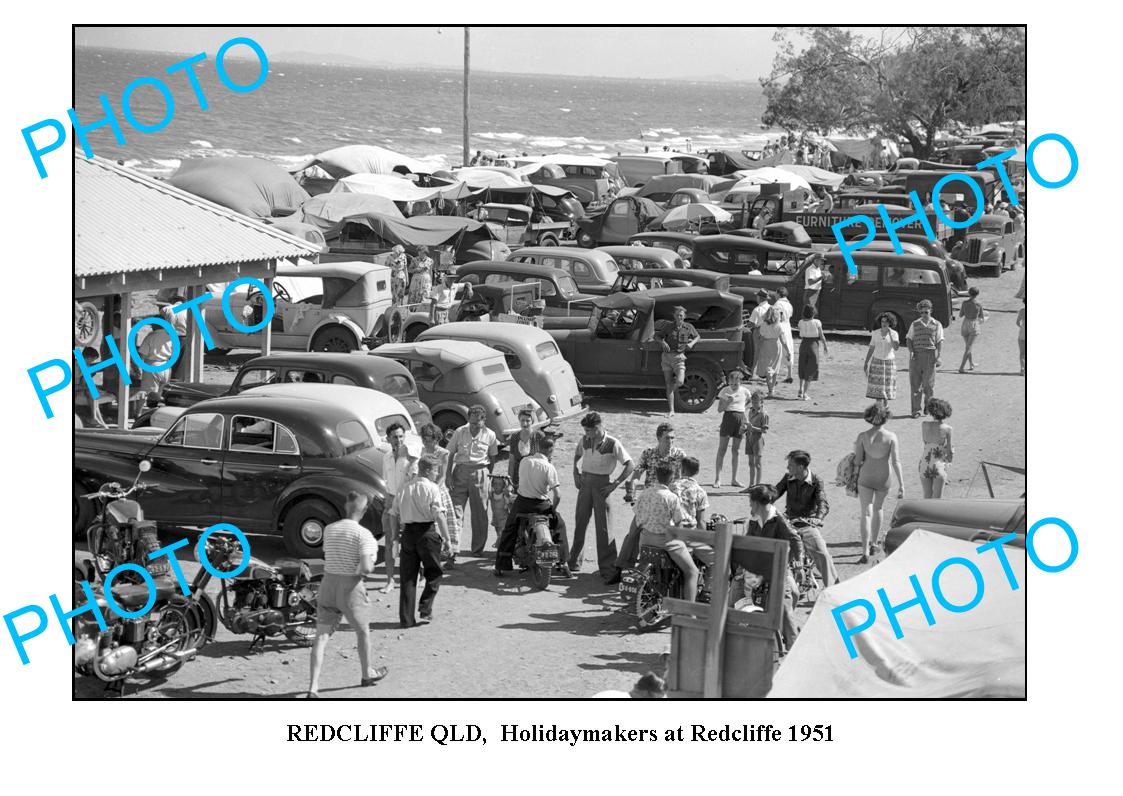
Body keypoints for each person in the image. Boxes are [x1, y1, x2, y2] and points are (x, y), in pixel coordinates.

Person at [307, 491, 387, 698]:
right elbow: (367, 567)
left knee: (321, 637)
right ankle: (366, 673)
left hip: (328, 584)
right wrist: (358, 569)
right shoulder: (364, 535)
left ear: (346, 506)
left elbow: (328, 554)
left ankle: (313, 687)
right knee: (362, 632)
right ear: (364, 510)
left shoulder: (330, 529)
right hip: (350, 587)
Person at [628, 464, 713, 601]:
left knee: (642, 569)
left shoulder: (645, 493)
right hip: (665, 542)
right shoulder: (671, 498)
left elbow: (637, 517)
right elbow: (678, 525)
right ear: (672, 478)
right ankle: (689, 611)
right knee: (692, 572)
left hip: (645, 540)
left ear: (655, 475)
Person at [494, 436, 573, 578]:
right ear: (551, 450)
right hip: (542, 505)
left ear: (537, 447)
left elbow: (521, 481)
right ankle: (563, 562)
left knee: (509, 530)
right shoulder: (549, 467)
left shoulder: (525, 461)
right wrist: (553, 509)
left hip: (522, 504)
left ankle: (501, 565)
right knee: (560, 526)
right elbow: (558, 494)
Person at [571, 412, 634, 578]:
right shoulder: (584, 440)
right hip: (585, 482)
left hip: (602, 486)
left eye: (589, 430)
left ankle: (607, 567)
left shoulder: (613, 443)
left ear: (598, 427)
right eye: (585, 430)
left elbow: (630, 464)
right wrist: (575, 473)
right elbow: (577, 455)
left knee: (604, 527)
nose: (587, 434)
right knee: (580, 522)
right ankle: (574, 562)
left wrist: (615, 484)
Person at [391, 459, 451, 628]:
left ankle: (406, 619)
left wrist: (395, 536)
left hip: (408, 534)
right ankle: (425, 607)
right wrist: (447, 539)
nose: (437, 474)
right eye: (435, 471)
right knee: (434, 572)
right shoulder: (432, 488)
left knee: (407, 578)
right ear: (427, 470)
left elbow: (393, 514)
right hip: (427, 533)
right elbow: (438, 514)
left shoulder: (403, 488)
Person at [743, 484, 802, 651]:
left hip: (778, 570)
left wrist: (798, 566)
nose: (749, 505)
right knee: (735, 596)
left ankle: (793, 646)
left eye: (750, 501)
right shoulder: (754, 520)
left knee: (785, 607)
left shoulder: (778, 519)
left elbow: (795, 539)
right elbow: (748, 542)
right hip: (760, 570)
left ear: (756, 502)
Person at [774, 450, 839, 588]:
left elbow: (823, 502)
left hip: (807, 523)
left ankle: (833, 590)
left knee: (822, 555)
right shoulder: (788, 478)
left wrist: (818, 518)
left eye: (790, 465)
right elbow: (775, 492)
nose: (788, 468)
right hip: (789, 522)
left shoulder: (816, 481)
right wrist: (762, 497)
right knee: (774, 550)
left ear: (801, 466)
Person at [854, 404, 905, 563]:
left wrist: (853, 475)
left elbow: (857, 461)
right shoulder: (891, 437)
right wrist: (902, 484)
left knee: (866, 513)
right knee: (879, 509)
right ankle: (874, 543)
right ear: (886, 418)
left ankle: (864, 552)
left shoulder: (862, 436)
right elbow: (896, 461)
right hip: (884, 477)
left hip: (865, 476)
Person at [446, 405, 500, 556]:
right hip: (460, 472)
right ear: (468, 420)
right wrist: (448, 475)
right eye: (472, 423)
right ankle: (453, 549)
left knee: (480, 514)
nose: (475, 426)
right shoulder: (460, 432)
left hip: (480, 472)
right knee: (455, 512)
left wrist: (487, 475)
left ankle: (477, 549)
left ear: (484, 421)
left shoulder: (490, 435)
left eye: (478, 423)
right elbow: (449, 454)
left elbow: (493, 457)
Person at [379, 423, 418, 593]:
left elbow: (415, 480)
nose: (398, 440)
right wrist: (388, 499)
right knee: (390, 542)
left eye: (401, 436)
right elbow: (386, 481)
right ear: (388, 439)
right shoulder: (386, 457)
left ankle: (417, 577)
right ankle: (390, 580)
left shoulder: (411, 455)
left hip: (408, 503)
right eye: (395, 437)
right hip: (391, 504)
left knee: (412, 543)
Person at [419, 423, 459, 568]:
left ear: (436, 439)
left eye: (428, 438)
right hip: (424, 490)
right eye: (423, 438)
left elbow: (442, 475)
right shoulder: (420, 451)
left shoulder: (443, 453)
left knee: (447, 524)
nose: (425, 441)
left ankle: (451, 556)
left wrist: (433, 487)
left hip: (438, 491)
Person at [654, 305, 699, 417]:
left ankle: (670, 391)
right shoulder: (668, 326)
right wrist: (663, 342)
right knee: (668, 382)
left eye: (681, 315)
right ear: (674, 316)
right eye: (677, 315)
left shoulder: (688, 327)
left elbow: (697, 336)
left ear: (684, 316)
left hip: (679, 357)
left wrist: (691, 343)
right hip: (667, 357)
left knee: (680, 381)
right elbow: (657, 336)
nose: (679, 317)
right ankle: (671, 410)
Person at [906, 299, 944, 418]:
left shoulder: (937, 324)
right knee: (915, 384)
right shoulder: (915, 324)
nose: (924, 315)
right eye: (921, 312)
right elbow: (909, 338)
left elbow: (939, 340)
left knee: (928, 384)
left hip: (930, 355)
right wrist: (911, 351)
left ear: (930, 311)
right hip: (916, 355)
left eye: (926, 312)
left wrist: (939, 355)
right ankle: (916, 410)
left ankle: (928, 406)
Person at [714, 368, 751, 488]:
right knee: (722, 449)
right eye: (731, 383)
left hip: (740, 419)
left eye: (736, 383)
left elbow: (748, 402)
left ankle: (734, 479)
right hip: (728, 418)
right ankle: (718, 479)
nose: (733, 386)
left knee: (736, 451)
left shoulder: (745, 391)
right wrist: (728, 402)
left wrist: (744, 415)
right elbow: (720, 409)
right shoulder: (725, 391)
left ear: (741, 382)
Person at [630, 422, 686, 491]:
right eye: (667, 438)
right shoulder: (648, 454)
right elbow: (637, 474)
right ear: (659, 438)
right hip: (651, 496)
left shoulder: (680, 455)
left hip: (673, 497)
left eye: (672, 438)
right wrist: (632, 489)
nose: (670, 441)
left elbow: (686, 478)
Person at [919, 398, 955, 498]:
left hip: (924, 464)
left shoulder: (924, 425)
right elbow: (949, 450)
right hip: (938, 465)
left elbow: (926, 443)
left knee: (927, 496)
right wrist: (949, 461)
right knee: (937, 499)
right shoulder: (948, 429)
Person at [864, 312, 900, 407]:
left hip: (889, 362)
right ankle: (879, 405)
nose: (884, 323)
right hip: (877, 361)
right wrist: (866, 362)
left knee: (886, 386)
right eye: (882, 321)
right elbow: (871, 348)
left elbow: (896, 347)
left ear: (890, 323)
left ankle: (885, 405)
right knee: (878, 385)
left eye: (886, 322)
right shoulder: (875, 333)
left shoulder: (894, 333)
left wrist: (890, 335)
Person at [506, 408, 547, 490]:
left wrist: (545, 480)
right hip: (517, 477)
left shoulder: (539, 436)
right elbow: (511, 461)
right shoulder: (514, 437)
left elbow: (546, 460)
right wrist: (509, 481)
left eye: (528, 421)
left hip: (534, 476)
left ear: (532, 421)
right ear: (519, 420)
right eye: (522, 420)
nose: (525, 423)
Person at [797, 304, 828, 401]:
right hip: (813, 345)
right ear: (813, 313)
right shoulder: (817, 322)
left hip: (803, 344)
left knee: (802, 365)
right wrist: (825, 346)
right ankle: (805, 393)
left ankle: (800, 389)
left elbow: (800, 332)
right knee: (811, 368)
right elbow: (822, 335)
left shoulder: (800, 322)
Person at [671, 456, 709, 528]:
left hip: (672, 529)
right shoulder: (700, 491)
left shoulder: (671, 487)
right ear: (697, 472)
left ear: (681, 470)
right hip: (689, 530)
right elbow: (701, 521)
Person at [755, 303, 783, 397]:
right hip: (776, 345)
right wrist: (788, 350)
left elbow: (761, 337)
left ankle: (770, 389)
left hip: (766, 345)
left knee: (768, 368)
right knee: (775, 368)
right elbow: (783, 340)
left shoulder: (763, 325)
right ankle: (772, 390)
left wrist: (758, 346)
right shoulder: (779, 326)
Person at [742, 390, 769, 488]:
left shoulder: (763, 414)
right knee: (750, 463)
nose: (754, 404)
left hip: (758, 439)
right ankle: (751, 485)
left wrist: (752, 428)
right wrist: (744, 429)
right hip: (749, 437)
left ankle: (758, 486)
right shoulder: (750, 411)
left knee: (757, 464)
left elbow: (764, 430)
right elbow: (748, 425)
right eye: (753, 402)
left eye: (756, 402)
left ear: (762, 402)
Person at [958, 287, 987, 373]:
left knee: (968, 346)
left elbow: (960, 315)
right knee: (968, 347)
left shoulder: (964, 303)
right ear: (977, 294)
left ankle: (971, 364)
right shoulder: (978, 304)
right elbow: (981, 316)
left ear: (969, 293)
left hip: (965, 324)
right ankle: (961, 367)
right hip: (973, 324)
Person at [745, 290, 772, 374]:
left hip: (759, 331)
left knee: (757, 352)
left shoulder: (757, 309)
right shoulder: (772, 308)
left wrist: (745, 327)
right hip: (770, 331)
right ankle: (767, 372)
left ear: (759, 298)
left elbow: (752, 323)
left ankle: (753, 372)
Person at [773, 286, 795, 383]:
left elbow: (776, 316)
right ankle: (789, 374)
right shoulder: (789, 304)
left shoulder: (778, 304)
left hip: (780, 326)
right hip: (787, 326)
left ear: (778, 293)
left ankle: (774, 376)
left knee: (777, 350)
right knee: (789, 348)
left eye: (776, 293)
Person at [1017, 301, 1027, 375]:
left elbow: (1017, 322)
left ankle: (1022, 369)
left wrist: (1022, 327)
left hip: (1022, 334)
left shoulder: (1022, 311)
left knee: (1022, 353)